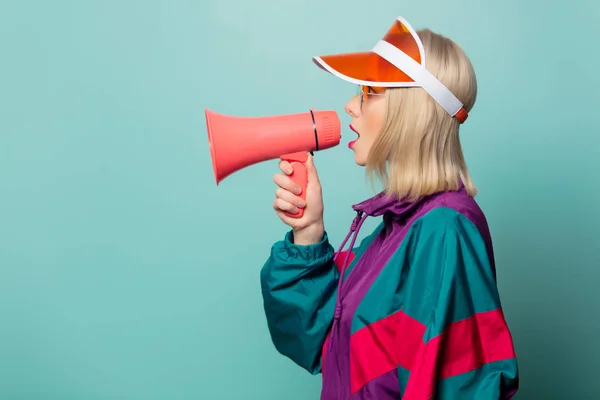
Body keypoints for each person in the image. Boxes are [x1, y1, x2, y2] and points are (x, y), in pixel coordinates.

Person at [259, 16, 519, 400]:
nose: (350, 105)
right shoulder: (392, 232)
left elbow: (455, 388)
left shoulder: (444, 228)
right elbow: (316, 341)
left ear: (410, 108)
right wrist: (309, 230)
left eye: (368, 91)